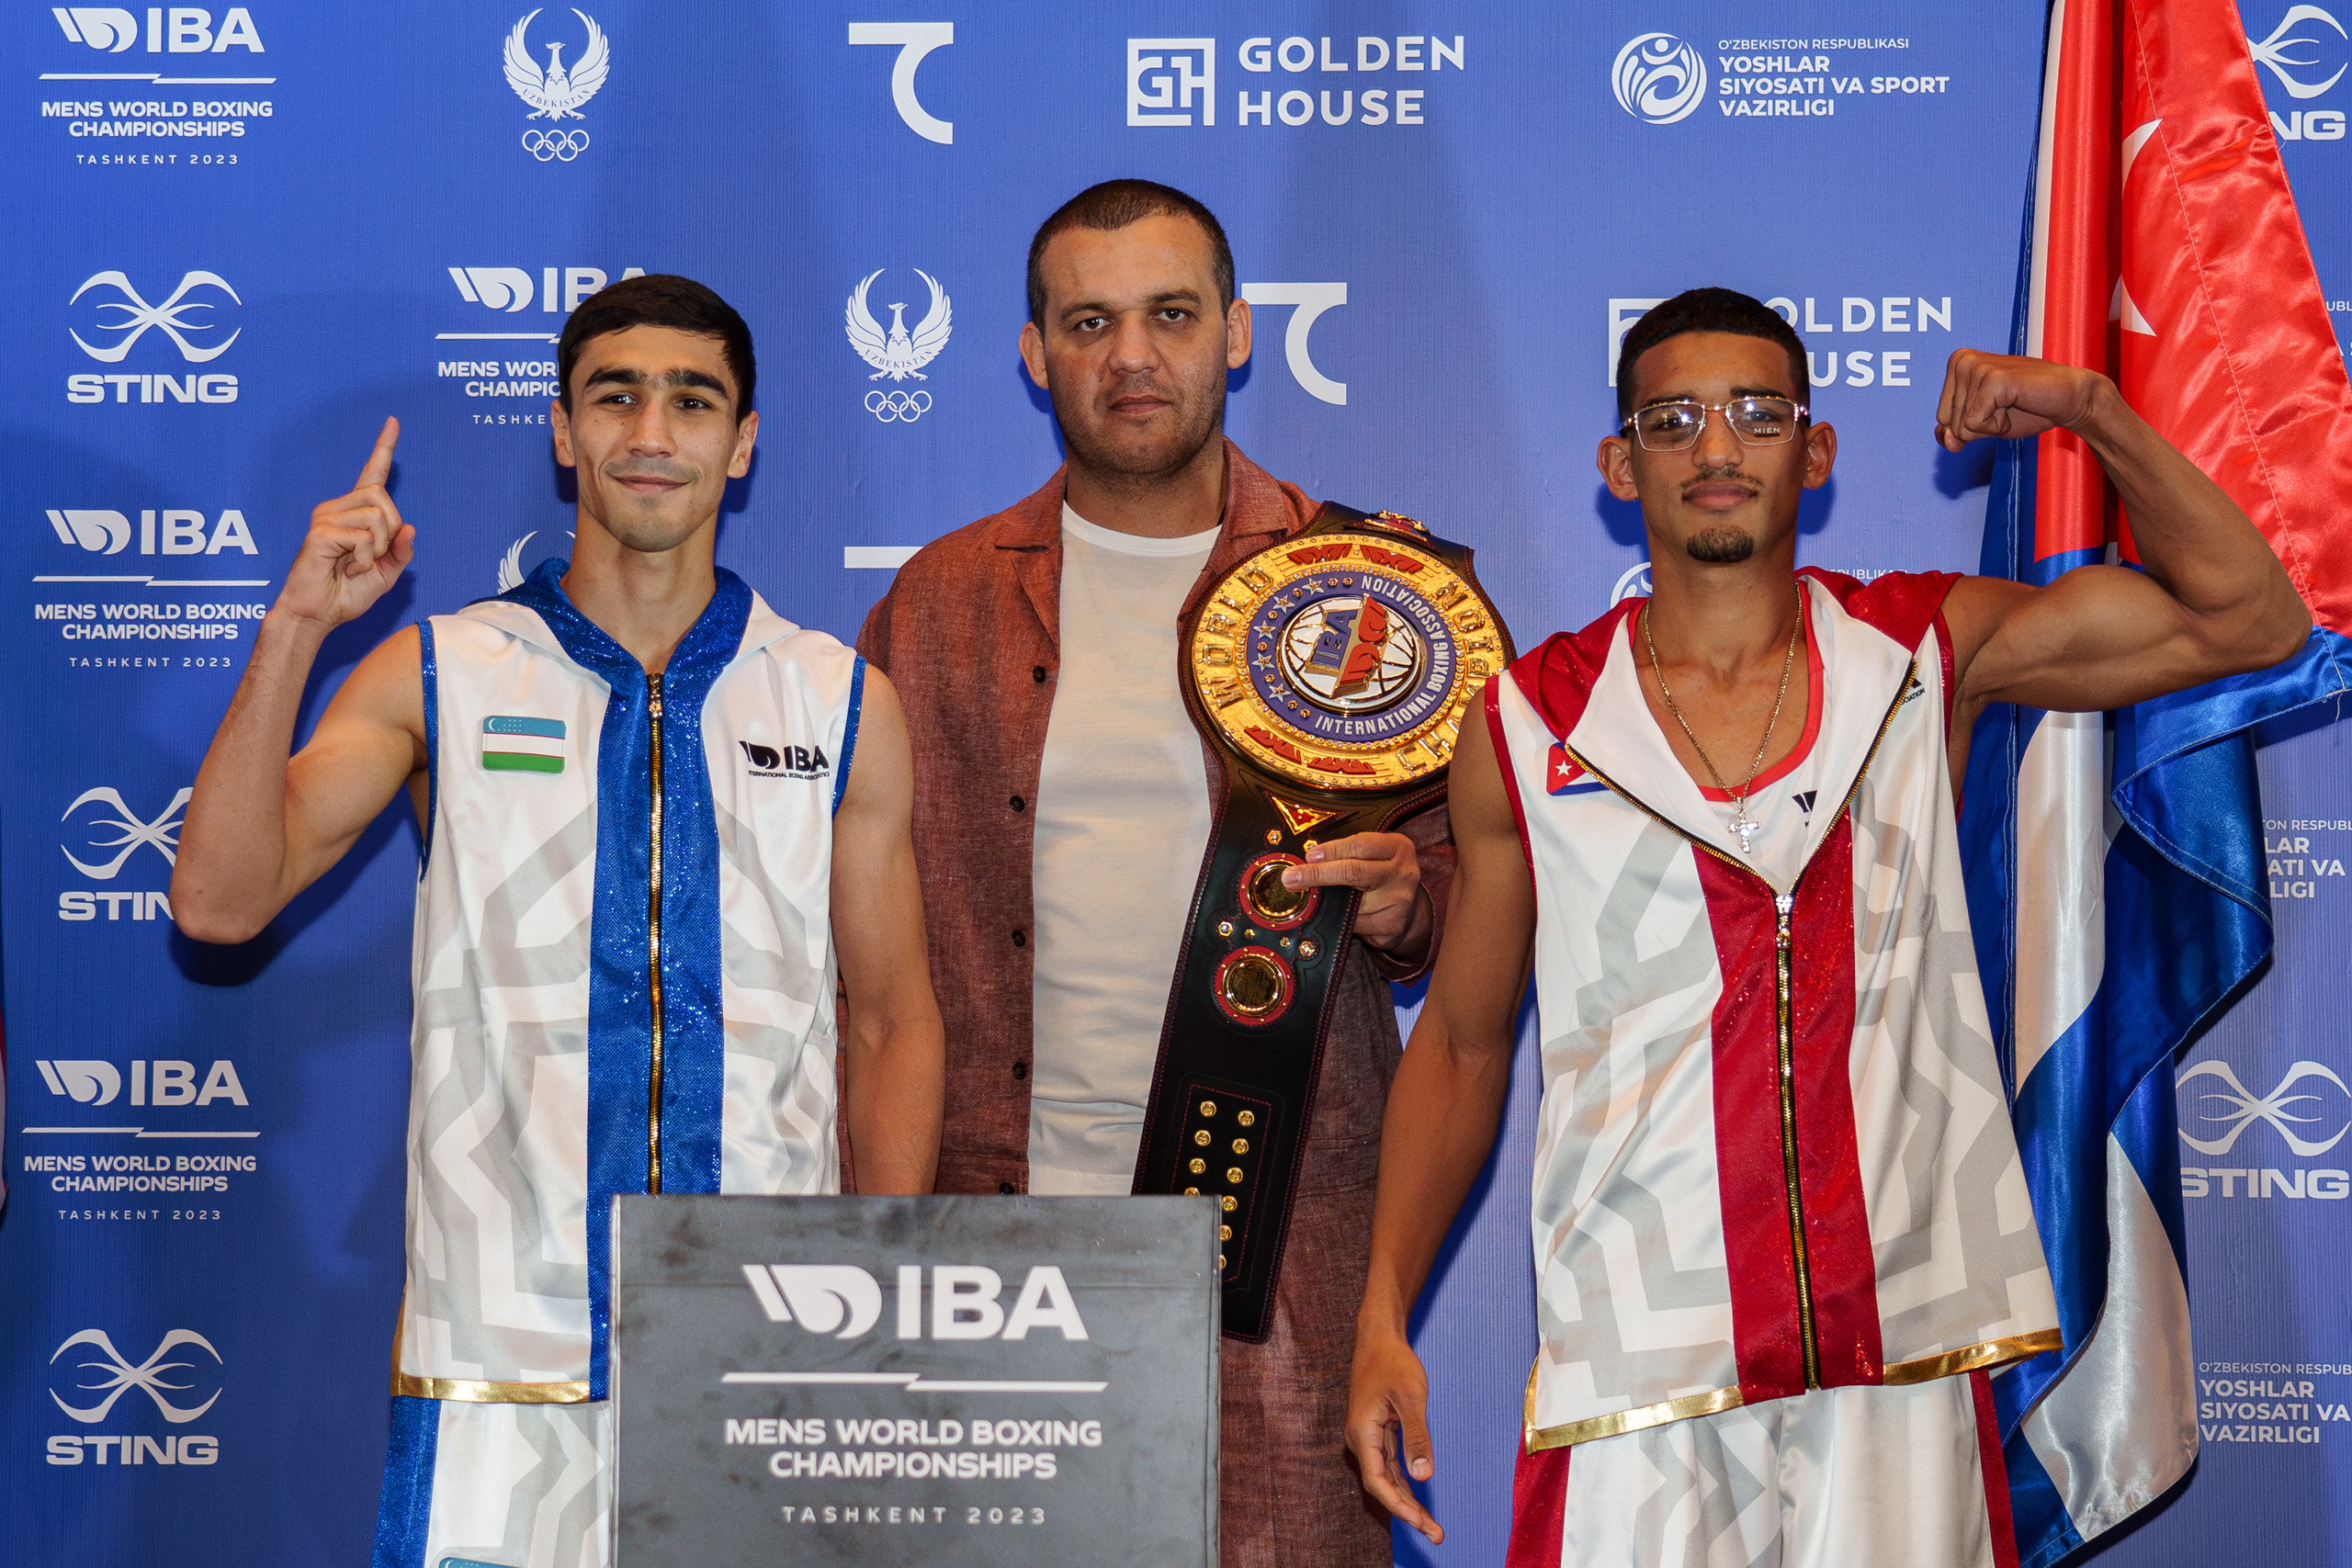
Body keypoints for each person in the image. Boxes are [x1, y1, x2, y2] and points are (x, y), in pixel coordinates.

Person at [1344, 288, 2309, 1566]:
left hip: (1902, 1346)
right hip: (1640, 1368)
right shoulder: (1528, 721)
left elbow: (2255, 618)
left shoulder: (1921, 648)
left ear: (1818, 448)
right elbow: (1463, 1049)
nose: (1718, 448)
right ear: (1620, 463)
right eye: (1674, 419)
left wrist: (2093, 412)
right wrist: (1382, 1313)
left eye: (1757, 413)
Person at [171, 275, 945, 1568]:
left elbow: (897, 1023)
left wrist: (878, 1290)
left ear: (742, 440)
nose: (654, 430)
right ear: (562, 430)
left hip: (761, 1347)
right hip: (498, 1350)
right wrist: (299, 621)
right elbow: (217, 899)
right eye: (617, 396)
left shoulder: (833, 696)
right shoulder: (446, 668)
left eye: (693, 401)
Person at [856, 179, 1442, 1567]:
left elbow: (1467, 905)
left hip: (1282, 1257)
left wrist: (1412, 907)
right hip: (1002, 1251)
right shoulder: (935, 602)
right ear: (1032, 351)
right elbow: (858, 959)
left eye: (1171, 315)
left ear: (1238, 332)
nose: (1133, 356)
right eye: (1090, 321)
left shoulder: (1365, 583)